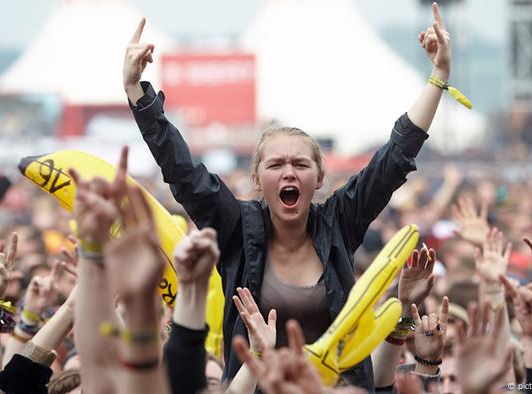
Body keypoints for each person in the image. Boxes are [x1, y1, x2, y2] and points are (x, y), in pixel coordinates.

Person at [123, 3, 453, 388]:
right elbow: (183, 173)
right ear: (257, 180)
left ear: (319, 177)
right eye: (276, 165)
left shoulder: (340, 221)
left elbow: (394, 158)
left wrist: (439, 76)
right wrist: (136, 92)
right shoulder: (237, 228)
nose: (289, 172)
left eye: (300, 164)